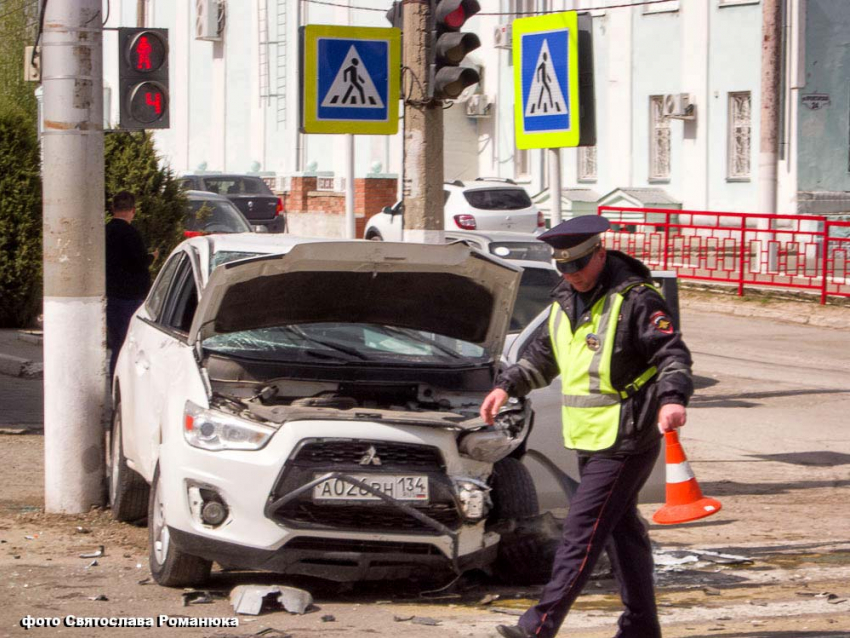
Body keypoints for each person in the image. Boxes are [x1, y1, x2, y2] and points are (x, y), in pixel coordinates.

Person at [481, 215, 693, 638]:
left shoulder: (636, 299)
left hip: (627, 436)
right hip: (587, 436)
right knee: (621, 531)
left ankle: (538, 626)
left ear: (600, 253)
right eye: (563, 267)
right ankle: (641, 629)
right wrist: (506, 386)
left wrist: (672, 400)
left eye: (579, 265)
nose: (572, 275)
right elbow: (542, 358)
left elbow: (672, 356)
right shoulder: (563, 300)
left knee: (582, 533)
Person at [105, 191, 156, 378]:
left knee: (117, 344)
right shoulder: (131, 233)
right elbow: (139, 262)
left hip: (112, 294)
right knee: (129, 345)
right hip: (130, 298)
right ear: (133, 210)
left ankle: (114, 386)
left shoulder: (106, 230)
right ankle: (123, 385)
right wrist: (152, 257)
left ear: (113, 209)